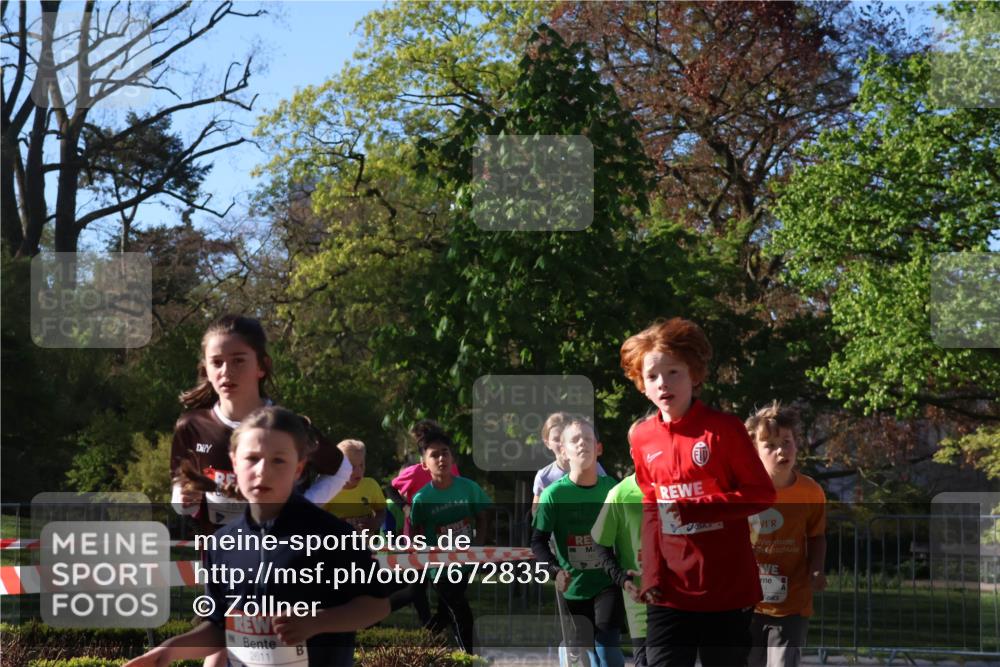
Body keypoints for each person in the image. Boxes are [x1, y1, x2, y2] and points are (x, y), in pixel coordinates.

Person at [125, 406, 390, 667]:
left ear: (298, 468)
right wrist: (167, 651)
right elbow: (219, 627)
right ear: (234, 461)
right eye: (252, 459)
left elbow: (377, 606)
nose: (263, 471)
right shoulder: (222, 543)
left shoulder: (333, 534)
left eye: (278, 460)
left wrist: (316, 622)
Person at [621, 317, 777, 667]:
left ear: (693, 374)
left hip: (726, 592)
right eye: (652, 377)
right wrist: (653, 574)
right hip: (670, 594)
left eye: (673, 372)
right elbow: (651, 506)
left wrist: (699, 508)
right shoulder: (642, 438)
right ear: (641, 385)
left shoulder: (723, 430)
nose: (663, 384)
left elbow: (761, 494)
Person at [170, 315, 351, 530]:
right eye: (217, 362)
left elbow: (342, 469)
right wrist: (184, 501)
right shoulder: (191, 426)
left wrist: (303, 506)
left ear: (262, 366)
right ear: (205, 369)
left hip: (283, 556)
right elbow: (181, 493)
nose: (226, 372)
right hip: (220, 555)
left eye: (238, 360)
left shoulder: (291, 427)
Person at [531, 416, 624, 667]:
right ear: (563, 450)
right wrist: (555, 571)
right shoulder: (554, 495)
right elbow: (537, 542)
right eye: (575, 440)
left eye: (588, 439)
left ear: (599, 448)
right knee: (584, 653)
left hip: (608, 581)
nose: (582, 443)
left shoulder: (612, 489)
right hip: (574, 587)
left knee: (606, 649)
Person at [745, 402, 827, 667]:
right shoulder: (742, 492)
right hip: (747, 602)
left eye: (787, 441)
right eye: (770, 445)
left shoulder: (811, 492)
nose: (781, 450)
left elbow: (816, 536)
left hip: (793, 602)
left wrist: (816, 569)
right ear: (754, 450)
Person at [409, 420, 491, 654]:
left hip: (465, 563)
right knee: (461, 610)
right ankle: (472, 657)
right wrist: (423, 557)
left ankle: (421, 648)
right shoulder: (422, 500)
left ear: (452, 458)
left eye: (445, 453)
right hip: (439, 567)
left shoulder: (468, 488)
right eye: (434, 455)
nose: (441, 459)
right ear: (424, 463)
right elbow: (416, 531)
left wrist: (477, 546)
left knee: (446, 613)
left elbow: (483, 516)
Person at [591, 419, 650, 667]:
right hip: (642, 606)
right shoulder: (620, 493)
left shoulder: (681, 489)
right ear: (632, 450)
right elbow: (599, 543)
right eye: (640, 444)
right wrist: (622, 579)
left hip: (683, 603)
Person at [532, 412, 607, 516]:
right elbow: (536, 511)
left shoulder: (594, 467)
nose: (562, 443)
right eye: (556, 439)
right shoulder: (544, 476)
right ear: (547, 443)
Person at [324, 439, 386, 534]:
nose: (358, 471)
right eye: (352, 467)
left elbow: (381, 510)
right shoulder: (328, 489)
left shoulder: (370, 485)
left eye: (361, 465)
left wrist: (375, 523)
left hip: (366, 546)